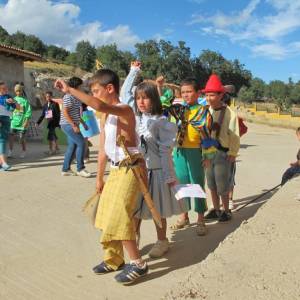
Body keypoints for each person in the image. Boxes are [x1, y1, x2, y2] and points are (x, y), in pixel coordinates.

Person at [55, 69, 149, 285]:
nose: (94, 96)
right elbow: (104, 150)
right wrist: (99, 178)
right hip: (115, 171)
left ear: (109, 89)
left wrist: (69, 90)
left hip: (130, 168)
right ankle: (114, 259)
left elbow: (98, 105)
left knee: (119, 216)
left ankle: (138, 264)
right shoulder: (105, 116)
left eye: (96, 91)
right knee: (105, 215)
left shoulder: (124, 110)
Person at [132, 82, 188, 258]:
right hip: (137, 171)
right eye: (138, 98)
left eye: (145, 97)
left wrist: (168, 175)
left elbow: (165, 152)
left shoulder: (161, 123)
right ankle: (133, 239)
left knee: (157, 208)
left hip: (155, 172)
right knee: (134, 209)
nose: (141, 102)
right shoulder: (134, 119)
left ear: (154, 99)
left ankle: (162, 241)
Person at [171, 78, 208, 236]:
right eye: (183, 92)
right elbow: (171, 128)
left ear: (198, 92)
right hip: (179, 151)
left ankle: (200, 218)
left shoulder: (202, 111)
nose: (186, 95)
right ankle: (184, 215)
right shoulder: (178, 109)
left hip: (195, 151)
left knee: (197, 184)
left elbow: (208, 135)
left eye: (189, 91)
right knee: (182, 184)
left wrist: (207, 155)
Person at [203, 74, 240, 222]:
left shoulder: (230, 113)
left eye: (212, 95)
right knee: (211, 182)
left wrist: (233, 152)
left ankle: (226, 210)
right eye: (207, 95)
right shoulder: (206, 110)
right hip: (207, 152)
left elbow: (235, 135)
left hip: (222, 153)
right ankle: (216, 209)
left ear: (220, 95)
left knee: (222, 184)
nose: (209, 98)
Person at [59, 77, 91, 178]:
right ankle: (80, 168)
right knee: (81, 143)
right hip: (68, 124)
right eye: (80, 85)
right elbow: (65, 112)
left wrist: (83, 123)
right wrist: (73, 125)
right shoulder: (68, 97)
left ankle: (66, 169)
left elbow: (76, 113)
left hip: (73, 124)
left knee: (72, 146)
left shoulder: (76, 97)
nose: (82, 87)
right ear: (76, 86)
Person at [8, 84, 32, 158]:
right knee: (11, 137)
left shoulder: (25, 101)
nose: (18, 92)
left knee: (22, 139)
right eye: (17, 91)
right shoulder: (13, 99)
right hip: (13, 123)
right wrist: (10, 119)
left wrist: (26, 121)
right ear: (15, 91)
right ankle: (10, 152)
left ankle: (23, 150)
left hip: (22, 123)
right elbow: (10, 110)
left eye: (19, 91)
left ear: (22, 91)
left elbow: (28, 112)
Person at [0, 82, 18, 170]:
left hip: (7, 118)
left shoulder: (8, 96)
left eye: (6, 88)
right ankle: (3, 163)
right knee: (2, 140)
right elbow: (2, 101)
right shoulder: (3, 98)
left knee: (3, 140)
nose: (6, 90)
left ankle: (2, 163)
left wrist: (13, 104)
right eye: (3, 88)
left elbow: (15, 107)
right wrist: (5, 101)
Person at [36, 91, 61, 155]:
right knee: (53, 136)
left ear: (51, 96)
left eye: (49, 96)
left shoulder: (55, 104)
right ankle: (57, 148)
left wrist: (59, 123)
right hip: (49, 123)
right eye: (47, 96)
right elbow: (42, 115)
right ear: (45, 97)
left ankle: (51, 150)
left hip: (54, 122)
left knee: (50, 137)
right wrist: (38, 122)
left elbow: (58, 114)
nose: (48, 98)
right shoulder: (45, 105)